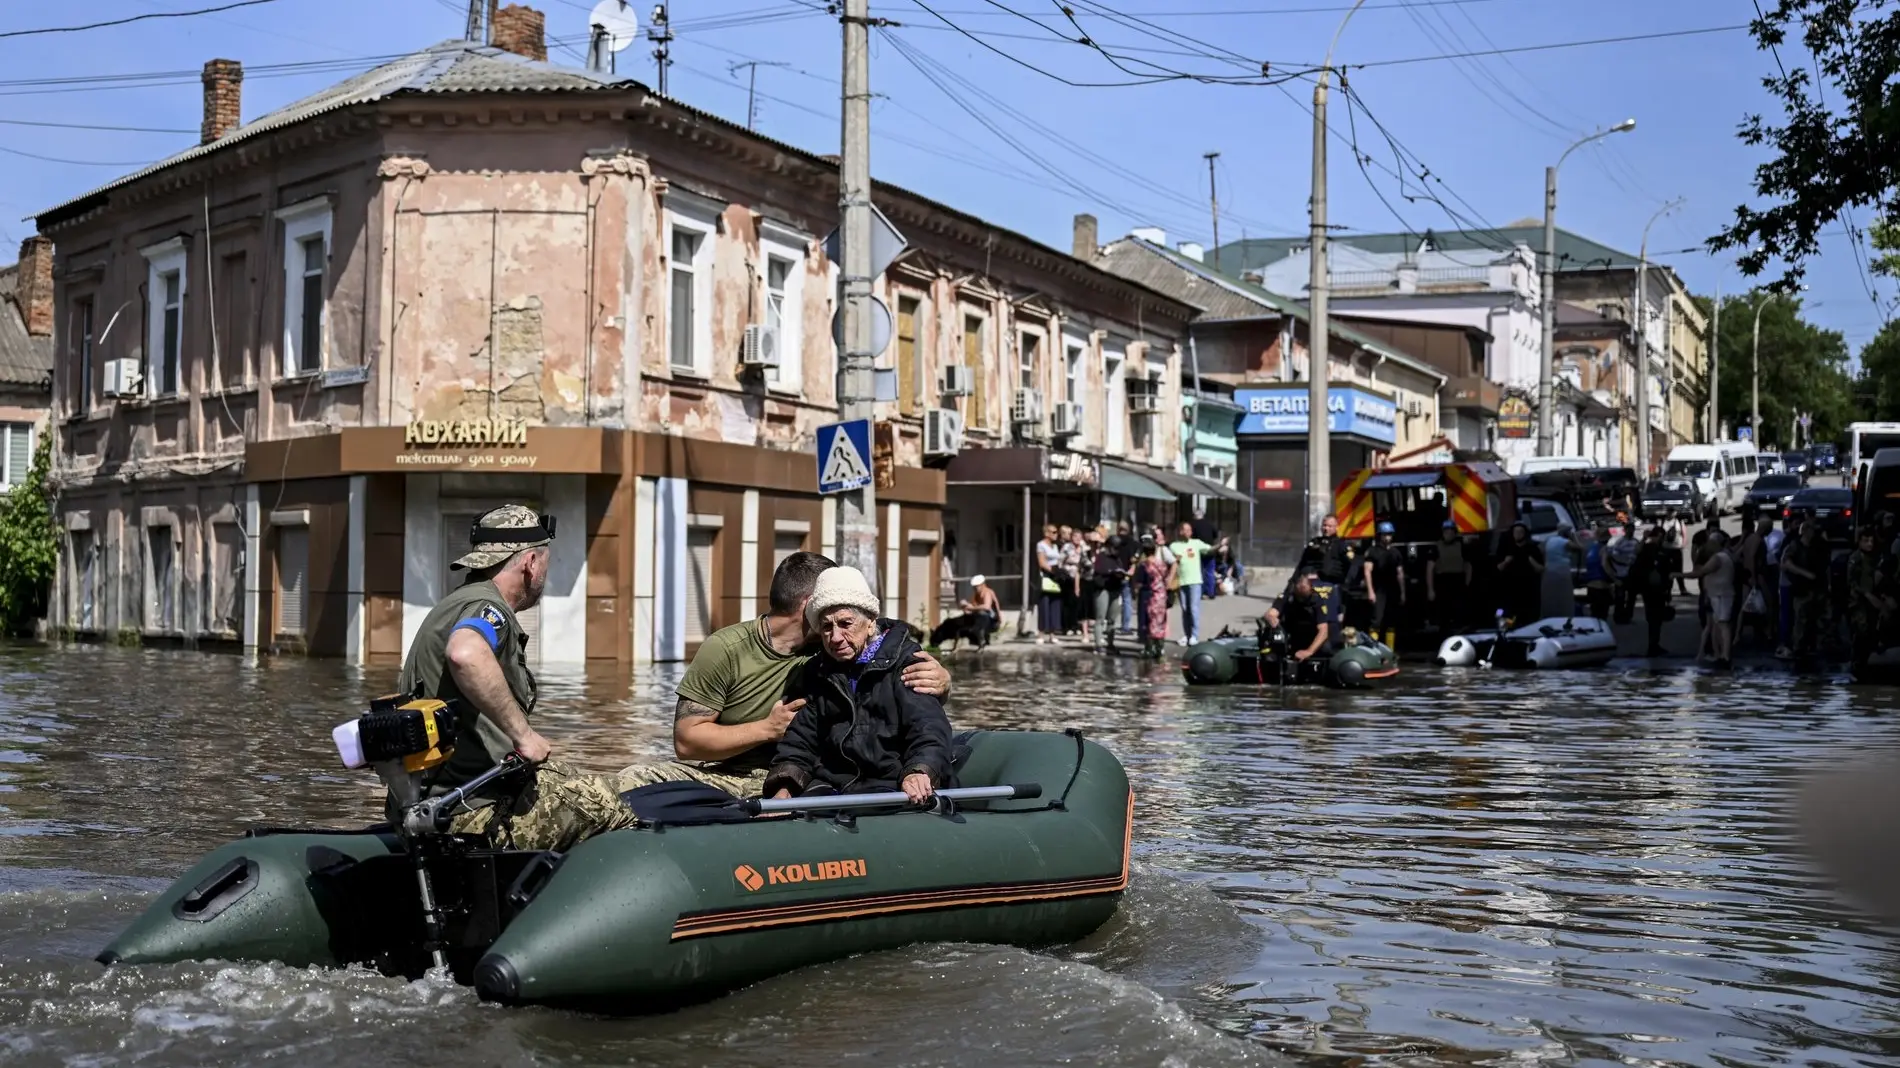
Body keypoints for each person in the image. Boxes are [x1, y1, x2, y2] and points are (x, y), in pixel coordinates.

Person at [397, 505, 634, 852]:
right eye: (545, 565)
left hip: (441, 799)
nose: (543, 575)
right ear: (531, 563)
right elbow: (465, 654)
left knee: (579, 777)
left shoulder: (457, 602)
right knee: (619, 807)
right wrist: (524, 736)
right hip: (469, 810)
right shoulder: (488, 610)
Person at [617, 552, 949, 797]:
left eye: (843, 622)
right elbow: (688, 743)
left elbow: (923, 720)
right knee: (635, 778)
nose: (836, 635)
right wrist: (770, 739)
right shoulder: (744, 652)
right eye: (826, 622)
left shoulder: (864, 650)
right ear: (811, 608)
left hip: (862, 787)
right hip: (766, 776)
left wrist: (943, 683)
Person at [763, 567, 954, 802]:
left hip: (891, 786)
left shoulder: (907, 663)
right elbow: (800, 740)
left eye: (845, 623)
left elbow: (929, 728)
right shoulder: (817, 671)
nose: (835, 637)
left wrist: (919, 771)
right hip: (831, 785)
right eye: (826, 627)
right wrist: (784, 787)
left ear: (871, 623)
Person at [1264, 571, 1340, 665]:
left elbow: (1323, 631)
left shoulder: (1318, 601)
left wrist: (1309, 651)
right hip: (1291, 636)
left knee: (1326, 649)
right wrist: (1271, 618)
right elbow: (1271, 613)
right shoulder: (1287, 597)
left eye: (1304, 592)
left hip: (1310, 638)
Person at [1783, 518, 1833, 660]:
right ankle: (1799, 647)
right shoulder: (1795, 545)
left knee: (1818, 618)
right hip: (1802, 588)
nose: (1813, 533)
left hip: (1819, 588)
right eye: (1810, 529)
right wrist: (1804, 573)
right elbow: (1787, 563)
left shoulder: (1819, 545)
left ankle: (1815, 645)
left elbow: (1826, 565)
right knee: (1801, 619)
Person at [1846, 528, 1893, 672]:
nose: (1869, 544)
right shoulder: (1856, 558)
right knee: (1861, 632)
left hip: (1872, 599)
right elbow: (1852, 581)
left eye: (1871, 541)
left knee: (1873, 628)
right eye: (1866, 541)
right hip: (1858, 601)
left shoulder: (1875, 557)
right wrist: (1867, 594)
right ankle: (1856, 664)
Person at [1689, 529, 1736, 668]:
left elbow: (1700, 572)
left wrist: (1678, 576)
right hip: (1713, 593)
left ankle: (1717, 654)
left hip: (1714, 593)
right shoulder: (1719, 555)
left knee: (1715, 625)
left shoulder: (1714, 556)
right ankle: (1718, 654)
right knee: (1716, 625)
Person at [1362, 521, 1406, 649]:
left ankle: (1389, 651)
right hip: (1378, 590)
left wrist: (1403, 592)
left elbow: (1400, 573)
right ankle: (1373, 649)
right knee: (1376, 621)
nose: (1387, 537)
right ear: (1379, 536)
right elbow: (1367, 571)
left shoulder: (1395, 552)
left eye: (1389, 534)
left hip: (1393, 590)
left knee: (1391, 622)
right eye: (1385, 534)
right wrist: (1370, 591)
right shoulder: (1372, 551)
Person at [1632, 525, 1674, 657]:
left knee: (1654, 619)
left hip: (1652, 589)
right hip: (1653, 589)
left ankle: (1654, 644)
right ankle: (1653, 645)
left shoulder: (1652, 550)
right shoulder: (1653, 550)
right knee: (1655, 619)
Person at [1169, 522, 1213, 645]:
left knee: (1194, 609)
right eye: (1185, 530)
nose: (1188, 532)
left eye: (1190, 530)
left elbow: (1210, 549)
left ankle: (1194, 635)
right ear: (1180, 532)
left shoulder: (1196, 543)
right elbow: (1173, 561)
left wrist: (1221, 545)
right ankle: (1187, 635)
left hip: (1195, 581)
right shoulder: (1174, 546)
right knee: (1185, 610)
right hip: (1182, 581)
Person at [1425, 521, 1472, 634]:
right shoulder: (1437, 547)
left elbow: (1468, 566)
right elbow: (1430, 569)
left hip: (1458, 581)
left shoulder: (1461, 546)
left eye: (1451, 531)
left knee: (1459, 613)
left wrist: (1467, 583)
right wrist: (1430, 589)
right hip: (1443, 582)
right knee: (1443, 615)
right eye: (1446, 531)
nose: (1449, 533)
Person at [1495, 522, 1545, 624]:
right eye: (1515, 532)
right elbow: (1498, 568)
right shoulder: (1506, 548)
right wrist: (1506, 561)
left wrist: (1531, 560)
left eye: (1520, 532)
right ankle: (1503, 625)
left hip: (1528, 589)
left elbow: (1541, 569)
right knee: (1505, 611)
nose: (1517, 534)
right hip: (1510, 589)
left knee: (1528, 616)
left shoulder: (1533, 549)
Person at [1133, 533, 1173, 658]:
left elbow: (1139, 583)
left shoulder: (1143, 566)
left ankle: (1148, 648)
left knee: (1147, 622)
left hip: (1147, 596)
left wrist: (1135, 591)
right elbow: (1167, 575)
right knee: (1159, 622)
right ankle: (1159, 649)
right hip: (1161, 596)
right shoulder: (1161, 564)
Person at [1088, 534, 1127, 654]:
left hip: (1114, 589)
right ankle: (1098, 644)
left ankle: (1110, 644)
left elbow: (1122, 570)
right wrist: (1110, 573)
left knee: (1112, 619)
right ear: (1110, 547)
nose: (1117, 550)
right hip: (1102, 589)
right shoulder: (1101, 557)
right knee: (1100, 618)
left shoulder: (1118, 559)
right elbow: (1098, 572)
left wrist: (1121, 575)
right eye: (1116, 548)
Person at [1296, 514, 1354, 586]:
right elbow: (1301, 565)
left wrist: (1345, 586)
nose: (1326, 528)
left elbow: (1351, 566)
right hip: (1309, 584)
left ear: (1336, 527)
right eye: (1324, 525)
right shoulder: (1314, 543)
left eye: (1330, 526)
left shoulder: (1341, 545)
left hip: (1330, 585)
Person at [1542, 524, 1579, 619]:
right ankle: (1565, 615)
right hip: (1562, 571)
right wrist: (1574, 537)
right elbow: (1580, 548)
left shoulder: (1550, 540)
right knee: (1564, 596)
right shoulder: (1565, 542)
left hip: (1549, 571)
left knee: (1552, 596)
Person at [1034, 524, 1064, 643]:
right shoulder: (1041, 545)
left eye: (1056, 532)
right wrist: (1053, 571)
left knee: (1055, 604)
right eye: (1054, 532)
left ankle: (1052, 633)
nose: (1056, 534)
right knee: (1044, 604)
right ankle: (1041, 634)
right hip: (1046, 575)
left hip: (1055, 576)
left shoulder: (1055, 546)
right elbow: (1042, 562)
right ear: (1046, 533)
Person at [1607, 523, 1641, 623]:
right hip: (1621, 572)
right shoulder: (1620, 542)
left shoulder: (1635, 542)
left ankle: (1628, 616)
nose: (1631, 532)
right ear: (1625, 530)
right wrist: (1625, 562)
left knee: (1631, 597)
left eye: (1633, 530)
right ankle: (1618, 616)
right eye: (1629, 529)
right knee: (1620, 597)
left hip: (1632, 574)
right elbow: (1614, 557)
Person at [1108, 521, 1138, 634]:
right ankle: (1125, 627)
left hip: (1114, 573)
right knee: (1126, 601)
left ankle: (1110, 625)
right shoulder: (1132, 542)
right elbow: (1136, 555)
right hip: (1127, 574)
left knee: (1113, 600)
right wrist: (1133, 567)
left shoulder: (1113, 541)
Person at [1583, 522, 1614, 620]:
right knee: (1602, 614)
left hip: (1591, 585)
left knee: (1594, 614)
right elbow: (1605, 564)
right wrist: (1614, 578)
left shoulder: (1592, 549)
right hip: (1601, 586)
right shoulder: (1604, 549)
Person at [959, 574, 1001, 639]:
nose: (975, 588)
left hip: (992, 622)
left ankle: (982, 636)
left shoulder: (987, 592)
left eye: (977, 586)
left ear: (983, 585)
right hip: (985, 620)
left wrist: (972, 608)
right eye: (974, 587)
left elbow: (987, 607)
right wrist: (966, 605)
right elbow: (973, 606)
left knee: (981, 614)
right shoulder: (977, 594)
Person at [1190, 510, 1220, 594]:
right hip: (1210, 550)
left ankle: (1201, 591)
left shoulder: (1193, 525)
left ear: (1195, 516)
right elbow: (1216, 534)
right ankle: (1211, 592)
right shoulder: (1210, 523)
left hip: (1199, 551)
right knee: (1210, 572)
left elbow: (1191, 537)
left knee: (1200, 572)